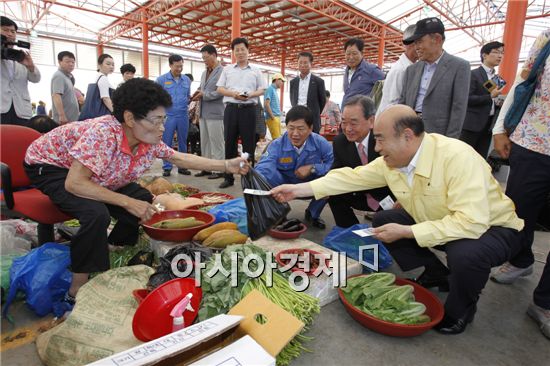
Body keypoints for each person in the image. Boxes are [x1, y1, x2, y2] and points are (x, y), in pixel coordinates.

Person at [272, 104, 524, 335]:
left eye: (380, 139)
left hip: (492, 230)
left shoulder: (457, 157)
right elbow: (350, 177)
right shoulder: (392, 162)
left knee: (465, 253)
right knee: (384, 218)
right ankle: (438, 273)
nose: (377, 147)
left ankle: (462, 310)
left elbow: (471, 223)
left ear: (407, 136)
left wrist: (406, 232)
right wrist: (297, 190)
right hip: (437, 219)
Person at [24, 78, 249, 303]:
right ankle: (76, 289)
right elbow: (75, 183)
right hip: (53, 167)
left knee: (141, 196)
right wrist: (125, 201)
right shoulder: (103, 134)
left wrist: (227, 165)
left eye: (164, 119)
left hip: (96, 172)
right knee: (96, 214)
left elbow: (181, 158)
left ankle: (115, 245)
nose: (162, 127)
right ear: (130, 118)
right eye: (156, 120)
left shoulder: (147, 139)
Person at [491, 29, 550, 339]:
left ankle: (545, 302)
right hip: (535, 141)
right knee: (518, 212)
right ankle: (521, 259)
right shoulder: (547, 37)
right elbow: (523, 81)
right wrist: (501, 128)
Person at [256, 105, 333, 229]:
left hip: (309, 186)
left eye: (301, 129)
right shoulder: (277, 145)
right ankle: (280, 213)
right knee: (265, 175)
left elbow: (334, 165)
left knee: (330, 179)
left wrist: (313, 168)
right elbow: (265, 165)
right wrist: (256, 179)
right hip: (284, 186)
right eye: (291, 128)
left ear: (310, 128)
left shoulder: (321, 143)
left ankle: (313, 213)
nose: (295, 134)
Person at [400, 17, 470, 138]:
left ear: (437, 39)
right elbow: (403, 102)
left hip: (438, 135)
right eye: (415, 43)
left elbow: (458, 109)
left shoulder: (459, 67)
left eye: (420, 41)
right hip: (410, 131)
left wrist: (450, 141)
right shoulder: (411, 70)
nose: (416, 47)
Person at [328, 95, 391, 227]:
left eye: (354, 123)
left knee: (387, 234)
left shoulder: (385, 140)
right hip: (358, 194)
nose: (348, 128)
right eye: (344, 122)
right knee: (333, 194)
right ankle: (351, 234)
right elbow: (336, 171)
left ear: (371, 121)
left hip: (387, 196)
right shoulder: (340, 142)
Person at [216, 37, 267, 188]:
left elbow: (262, 89)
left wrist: (250, 95)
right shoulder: (227, 69)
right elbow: (220, 88)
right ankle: (228, 177)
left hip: (249, 110)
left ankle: (249, 176)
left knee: (248, 144)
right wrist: (233, 94)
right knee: (229, 143)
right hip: (231, 109)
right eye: (236, 50)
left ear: (248, 51)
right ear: (233, 52)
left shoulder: (256, 71)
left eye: (242, 49)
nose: (240, 52)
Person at [460, 41, 505, 158]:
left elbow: (491, 98)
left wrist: (496, 102)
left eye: (502, 53)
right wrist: (490, 97)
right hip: (472, 124)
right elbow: (467, 99)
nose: (500, 56)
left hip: (488, 125)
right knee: (465, 157)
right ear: (484, 55)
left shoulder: (496, 78)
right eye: (496, 52)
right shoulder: (473, 74)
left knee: (480, 158)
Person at [1, 16, 41, 126]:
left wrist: (31, 66)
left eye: (13, 31)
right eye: (5, 30)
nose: (10, 34)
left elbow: (36, 78)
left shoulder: (20, 56)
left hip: (21, 110)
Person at [192, 45, 225, 179]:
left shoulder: (223, 72)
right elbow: (202, 88)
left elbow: (220, 91)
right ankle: (206, 168)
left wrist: (204, 94)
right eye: (203, 58)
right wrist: (196, 93)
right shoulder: (204, 72)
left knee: (216, 142)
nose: (204, 60)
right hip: (203, 113)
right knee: (204, 141)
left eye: (206, 57)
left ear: (214, 55)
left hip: (216, 113)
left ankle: (219, 170)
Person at [157, 54, 192, 176]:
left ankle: (182, 166)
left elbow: (188, 96)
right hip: (168, 116)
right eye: (177, 66)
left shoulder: (186, 80)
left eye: (181, 66)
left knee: (183, 141)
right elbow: (158, 99)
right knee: (167, 142)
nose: (179, 69)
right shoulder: (161, 80)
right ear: (170, 65)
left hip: (183, 115)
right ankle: (167, 167)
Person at [376, 25, 418, 117]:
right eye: (421, 42)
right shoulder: (400, 70)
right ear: (412, 44)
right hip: (390, 123)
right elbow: (392, 105)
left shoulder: (410, 67)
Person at [289, 52, 326, 133]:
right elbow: (292, 100)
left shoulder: (318, 81)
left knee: (312, 142)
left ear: (311, 64)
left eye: (305, 62)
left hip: (312, 119)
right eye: (300, 62)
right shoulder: (293, 82)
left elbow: (322, 101)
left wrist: (314, 112)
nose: (302, 65)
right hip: (297, 117)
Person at [342, 38, 384, 107]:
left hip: (363, 115)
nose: (351, 57)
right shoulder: (347, 72)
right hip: (347, 114)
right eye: (348, 54)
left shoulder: (371, 70)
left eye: (354, 53)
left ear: (361, 53)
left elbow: (388, 85)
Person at [51, 51, 80, 124]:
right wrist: (62, 115)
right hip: (64, 120)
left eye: (73, 62)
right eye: (67, 61)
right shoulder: (59, 76)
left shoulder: (67, 77)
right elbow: (56, 95)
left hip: (71, 119)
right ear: (59, 62)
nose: (71, 64)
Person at [264, 73, 286, 139]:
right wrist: (272, 117)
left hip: (276, 117)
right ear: (276, 80)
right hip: (273, 118)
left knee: (278, 138)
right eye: (282, 81)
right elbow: (266, 104)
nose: (282, 83)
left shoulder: (274, 90)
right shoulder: (270, 89)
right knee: (276, 139)